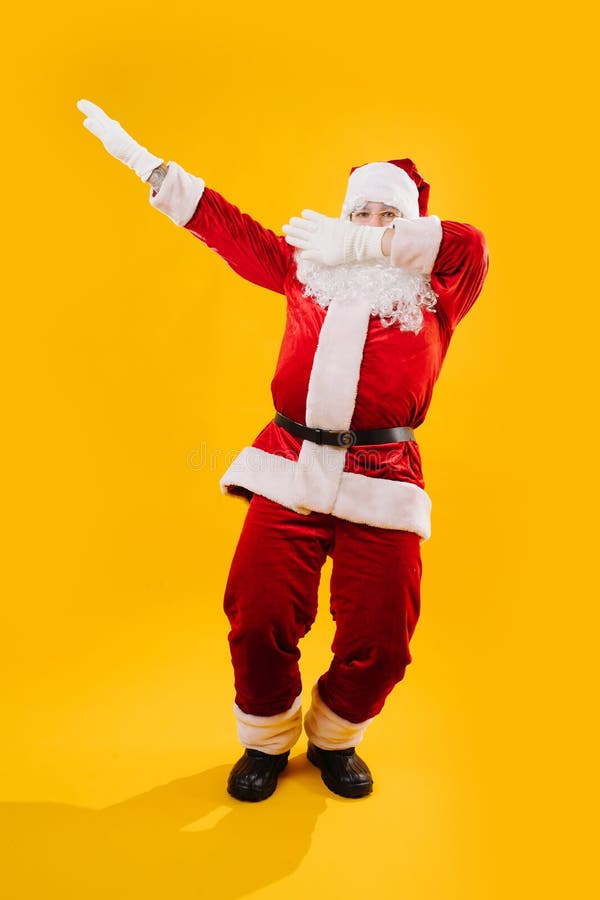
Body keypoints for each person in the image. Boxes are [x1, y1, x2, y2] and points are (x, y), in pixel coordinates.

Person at [77, 99, 489, 802]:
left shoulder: (441, 289)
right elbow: (229, 231)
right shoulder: (306, 270)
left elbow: (469, 243)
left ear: (407, 224)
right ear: (342, 213)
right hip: (289, 465)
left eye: (386, 217)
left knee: (384, 640)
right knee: (259, 613)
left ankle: (333, 738)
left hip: (382, 476)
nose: (369, 226)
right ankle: (267, 738)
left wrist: (364, 248)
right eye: (360, 214)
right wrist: (152, 170)